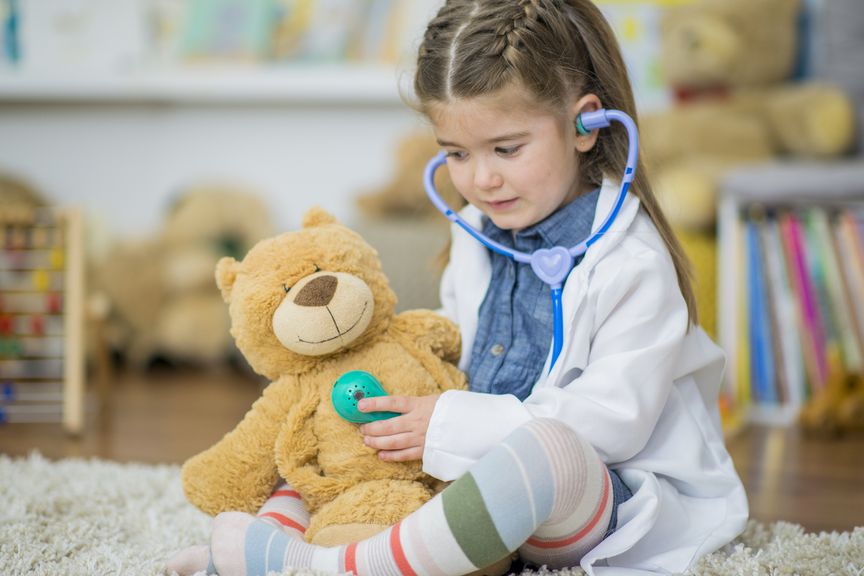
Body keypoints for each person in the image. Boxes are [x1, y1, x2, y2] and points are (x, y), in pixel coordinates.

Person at [166, 1, 748, 575]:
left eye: (507, 148)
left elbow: (614, 423)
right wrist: (399, 401)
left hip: (603, 501)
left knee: (547, 451)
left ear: (584, 125)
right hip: (477, 481)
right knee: (332, 442)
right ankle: (263, 550)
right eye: (456, 155)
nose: (482, 178)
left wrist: (450, 423)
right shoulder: (476, 231)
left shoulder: (633, 261)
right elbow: (454, 347)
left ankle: (328, 567)